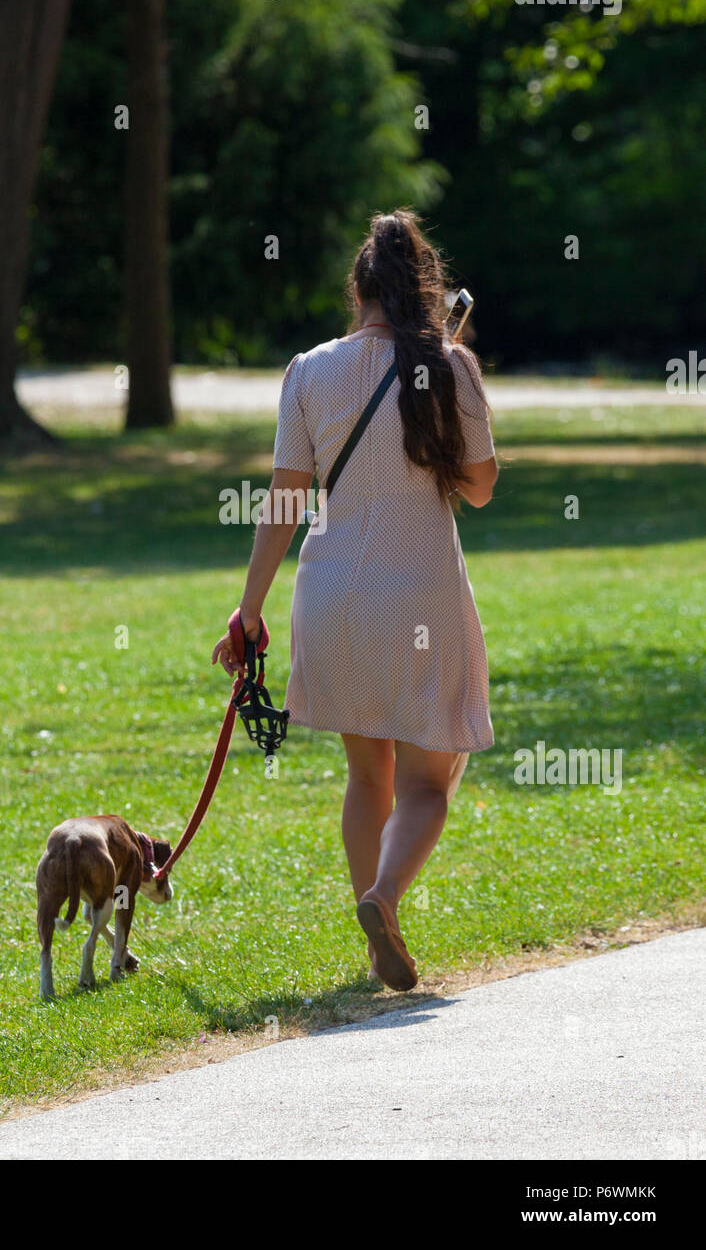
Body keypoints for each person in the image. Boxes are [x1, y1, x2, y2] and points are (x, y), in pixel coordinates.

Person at [212, 209, 497, 991]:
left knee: (366, 777)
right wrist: (459, 389)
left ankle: (378, 935)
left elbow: (283, 500)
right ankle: (384, 898)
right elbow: (478, 489)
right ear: (424, 290)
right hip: (422, 598)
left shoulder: (309, 369)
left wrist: (249, 608)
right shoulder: (452, 368)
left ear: (361, 290)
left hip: (330, 597)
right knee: (428, 784)